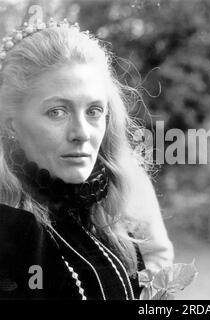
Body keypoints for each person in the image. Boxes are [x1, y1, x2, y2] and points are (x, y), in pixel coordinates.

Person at [0, 18, 173, 299]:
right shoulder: (9, 226)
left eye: (93, 111)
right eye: (57, 111)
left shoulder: (113, 201)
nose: (82, 133)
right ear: (11, 123)